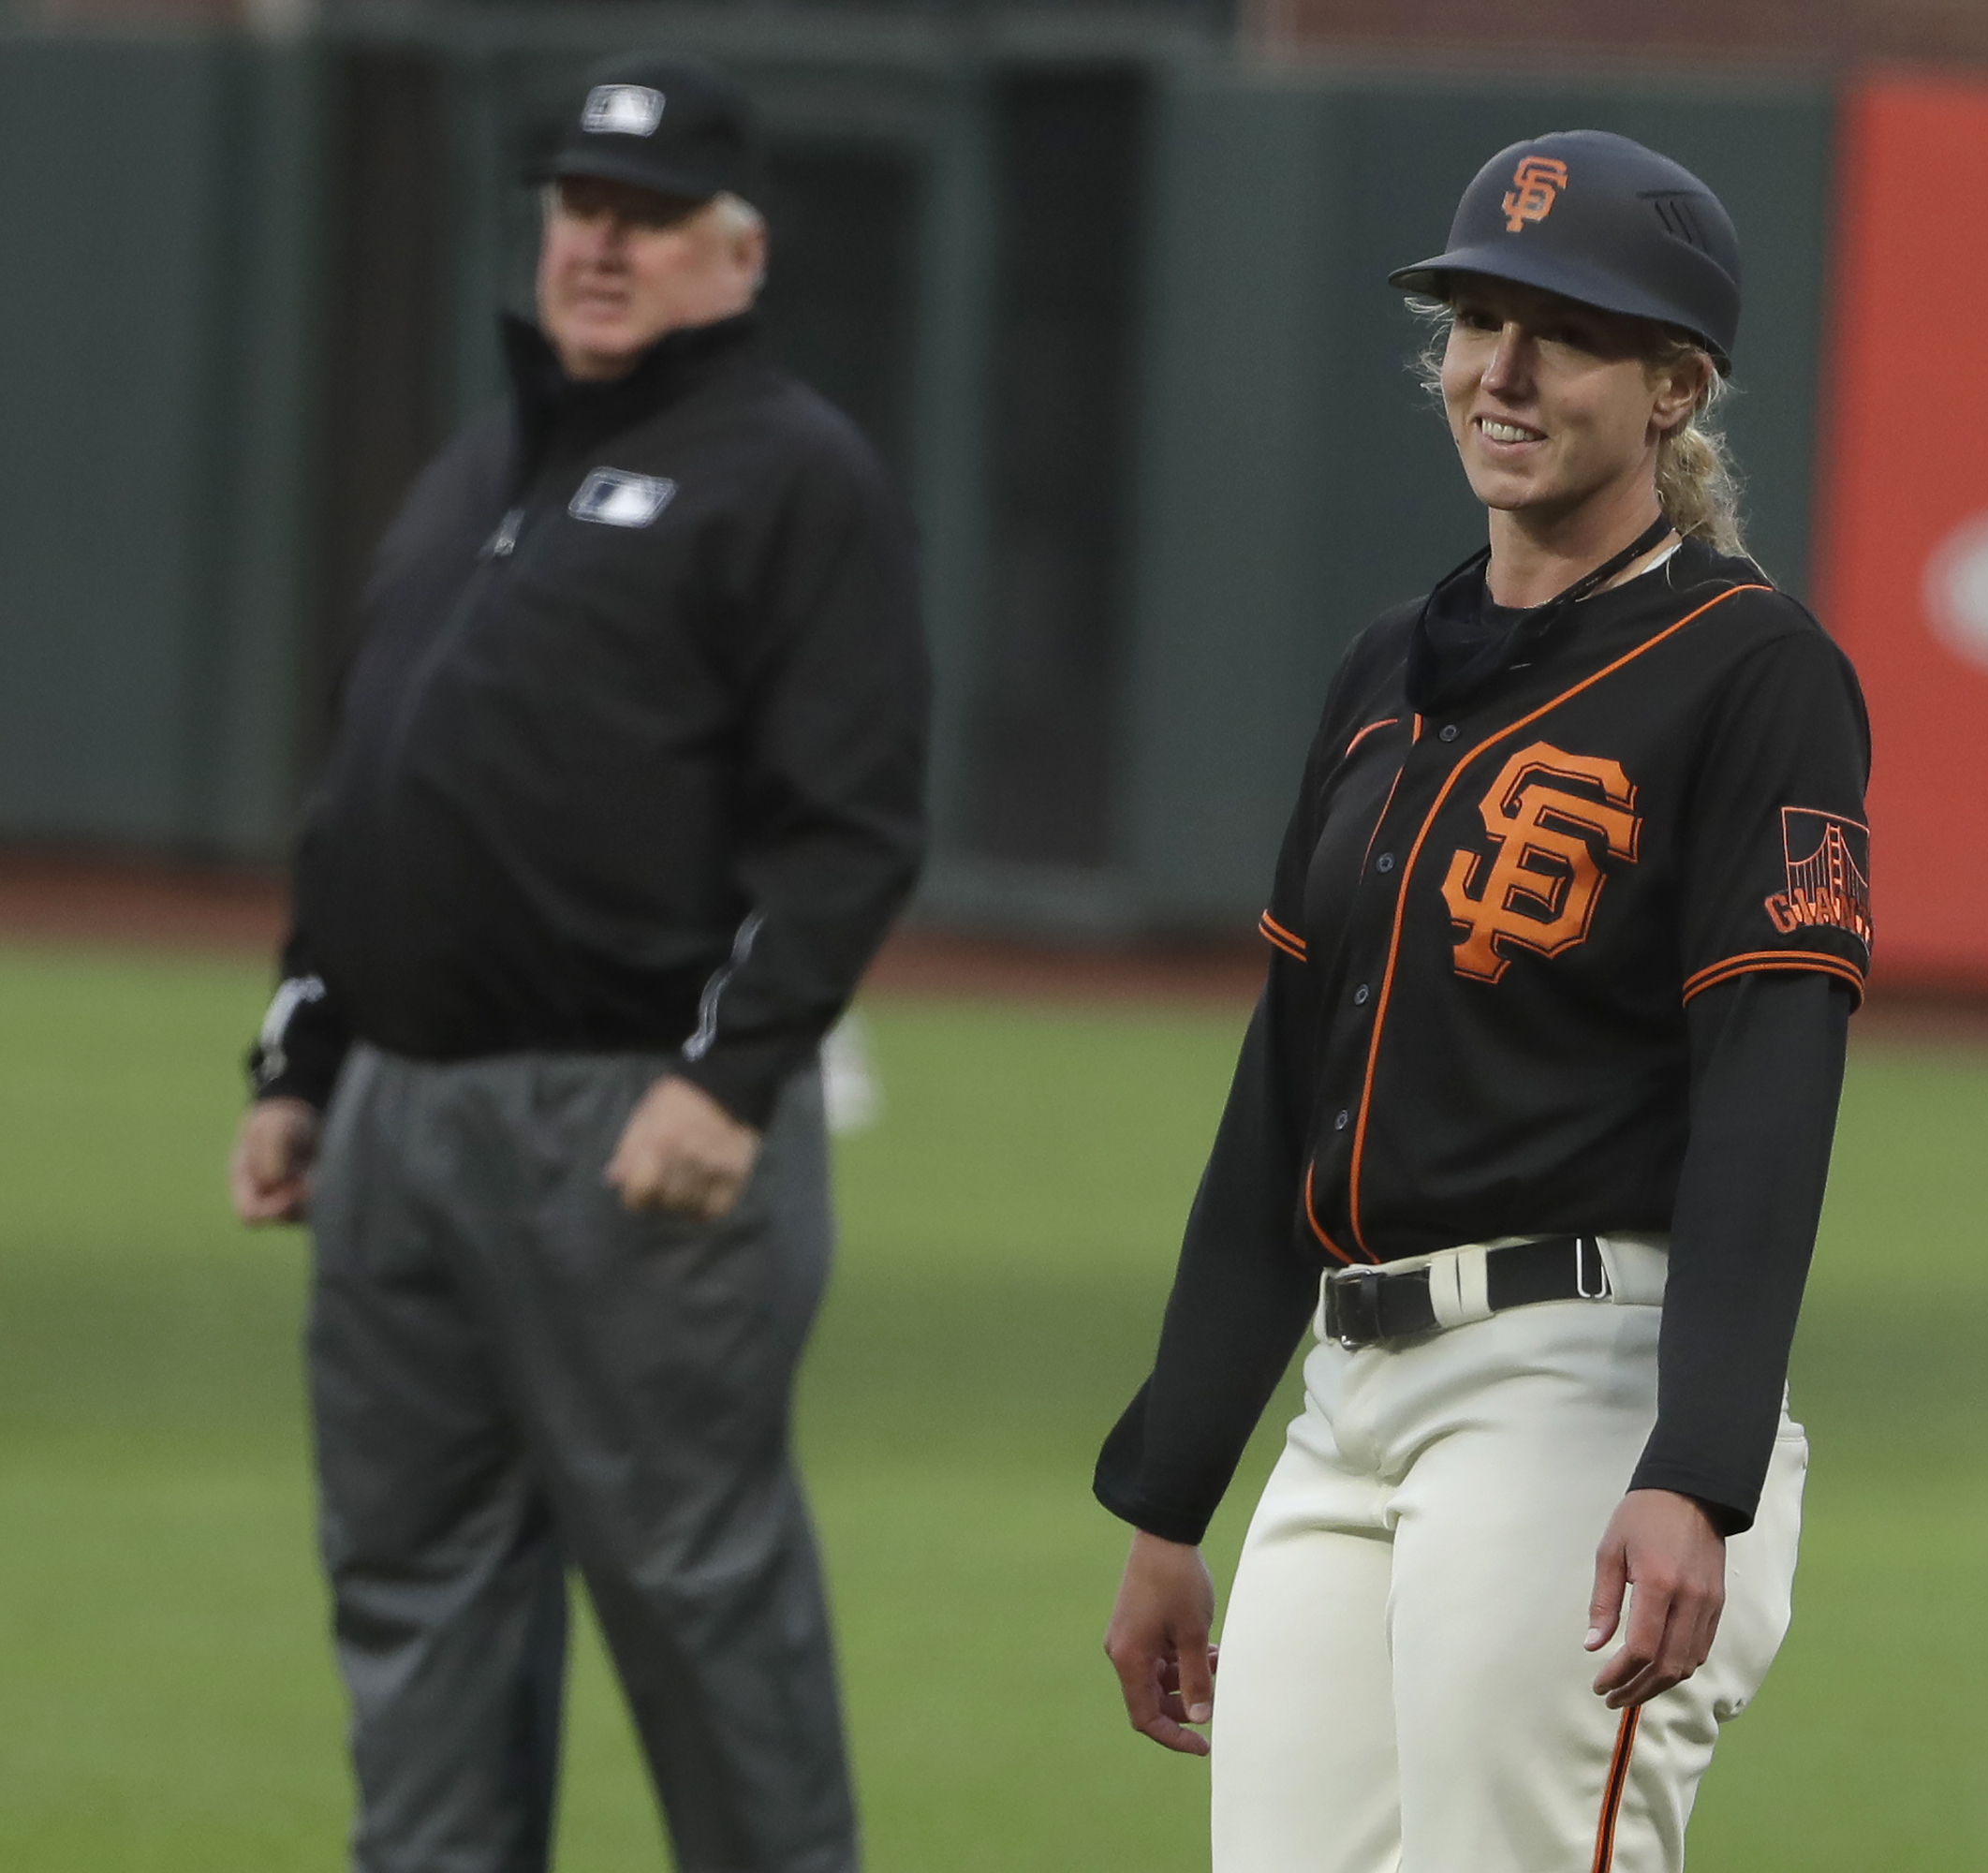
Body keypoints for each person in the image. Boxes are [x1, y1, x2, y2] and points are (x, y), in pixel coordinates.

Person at [1095, 130, 1872, 1872]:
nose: (1499, 370)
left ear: (1677, 389)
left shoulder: (1757, 675)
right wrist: (1170, 1488)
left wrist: (1700, 1470)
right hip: (1347, 1401)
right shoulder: (1392, 666)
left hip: (1577, 1402)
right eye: (1474, 319)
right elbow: (1288, 1091)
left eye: (1565, 332)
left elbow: (1770, 1086)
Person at [224, 50, 928, 1873]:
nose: (600, 246)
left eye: (648, 215)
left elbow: (851, 823)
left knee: (699, 1597)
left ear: (738, 249)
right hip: (403, 1120)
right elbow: (369, 784)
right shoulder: (484, 468)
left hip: (638, 1121)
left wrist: (732, 1075)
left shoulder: (790, 472)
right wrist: (304, 1064)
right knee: (413, 1595)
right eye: (578, 207)